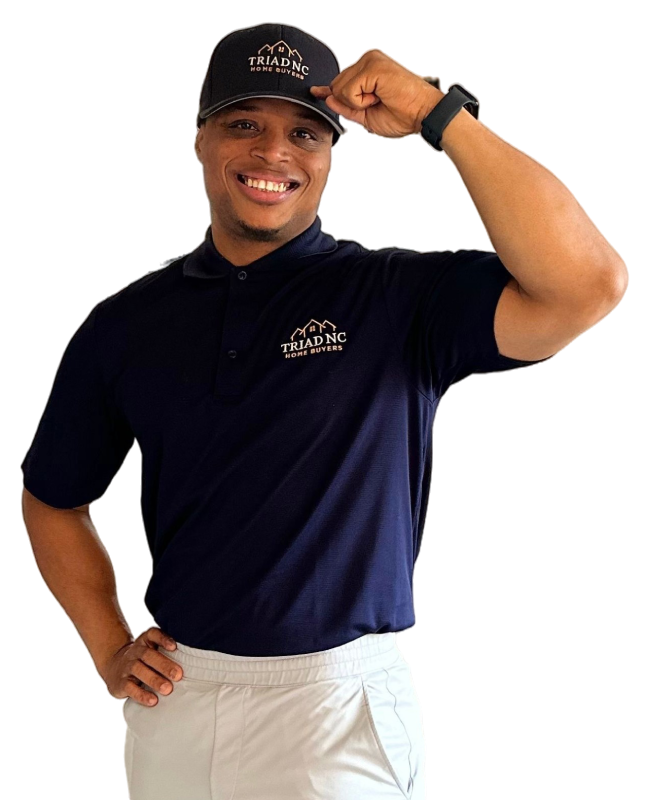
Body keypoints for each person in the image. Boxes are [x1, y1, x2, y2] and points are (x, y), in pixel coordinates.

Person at [20, 21, 628, 800]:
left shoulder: (396, 298)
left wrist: (439, 117)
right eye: (244, 124)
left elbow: (588, 285)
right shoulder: (126, 323)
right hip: (179, 697)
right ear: (200, 139)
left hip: (335, 706)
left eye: (304, 132)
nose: (273, 152)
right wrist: (108, 646)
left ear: (333, 155)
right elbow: (51, 499)